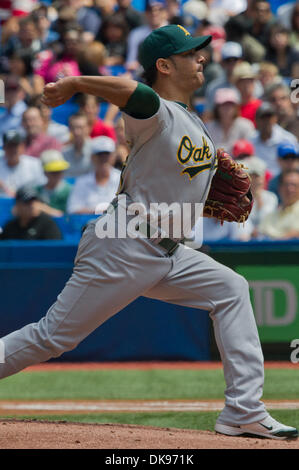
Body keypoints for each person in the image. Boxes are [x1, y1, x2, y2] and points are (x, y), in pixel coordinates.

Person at [0, 24, 297, 440]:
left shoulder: (192, 120)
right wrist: (77, 83)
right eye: (191, 53)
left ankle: (243, 412)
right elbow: (135, 95)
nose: (201, 58)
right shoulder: (154, 111)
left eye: (200, 51)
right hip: (123, 242)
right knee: (53, 337)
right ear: (163, 64)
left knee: (231, 289)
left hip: (170, 251)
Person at [66, 136, 120, 214]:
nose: (103, 159)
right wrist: (102, 211)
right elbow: (72, 209)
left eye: (107, 155)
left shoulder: (122, 179)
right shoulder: (82, 181)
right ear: (92, 157)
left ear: (113, 157)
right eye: (99, 155)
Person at [250, 102, 297, 176]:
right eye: (263, 118)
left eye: (269, 117)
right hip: (258, 182)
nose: (266, 121)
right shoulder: (251, 140)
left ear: (275, 118)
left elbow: (295, 165)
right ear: (256, 120)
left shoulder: (288, 139)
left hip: (281, 183)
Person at [205, 88, 255, 153]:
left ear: (236, 107)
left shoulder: (246, 126)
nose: (227, 108)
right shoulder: (209, 127)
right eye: (223, 104)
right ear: (217, 108)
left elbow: (250, 153)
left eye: (231, 104)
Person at [239, 156, 278, 237]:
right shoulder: (239, 198)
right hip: (244, 240)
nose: (254, 180)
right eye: (251, 176)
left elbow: (266, 219)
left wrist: (258, 198)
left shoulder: (271, 197)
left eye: (257, 176)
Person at [0, 130, 46, 198]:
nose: (13, 150)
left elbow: (42, 187)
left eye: (15, 146)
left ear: (22, 147)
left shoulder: (34, 164)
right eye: (9, 146)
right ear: (4, 148)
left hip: (28, 203)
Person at [258, 169, 299, 240]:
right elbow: (259, 235)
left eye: (294, 185)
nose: (290, 189)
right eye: (286, 185)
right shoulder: (270, 216)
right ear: (279, 188)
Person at [35, 150, 73, 217]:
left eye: (59, 171)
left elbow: (68, 216)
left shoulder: (70, 191)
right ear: (45, 172)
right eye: (53, 171)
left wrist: (44, 209)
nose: (57, 174)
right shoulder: (36, 191)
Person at [63, 112, 94, 178]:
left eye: (80, 128)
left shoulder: (96, 152)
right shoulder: (64, 153)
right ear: (69, 129)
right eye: (73, 128)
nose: (76, 132)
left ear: (88, 128)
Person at [231, 61, 262, 125]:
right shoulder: (233, 108)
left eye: (250, 81)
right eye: (243, 82)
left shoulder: (260, 106)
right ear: (237, 85)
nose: (246, 85)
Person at [0, 76, 27, 146]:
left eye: (14, 89)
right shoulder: (2, 114)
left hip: (17, 150)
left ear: (21, 91)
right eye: (7, 89)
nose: (11, 93)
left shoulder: (25, 112)